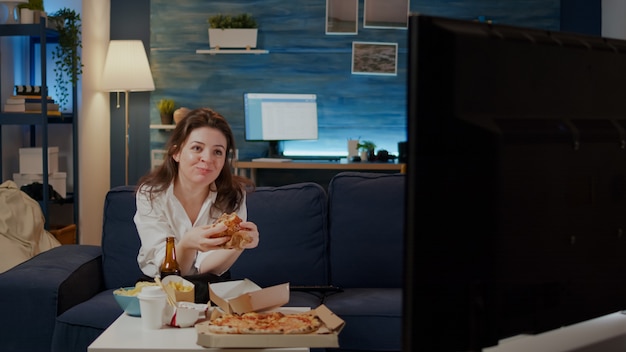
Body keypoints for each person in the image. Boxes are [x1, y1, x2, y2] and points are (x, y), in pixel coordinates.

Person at [134, 107, 259, 302]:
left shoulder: (235, 196)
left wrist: (240, 243)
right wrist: (187, 244)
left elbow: (210, 267)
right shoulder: (150, 195)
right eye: (197, 148)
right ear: (176, 152)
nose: (207, 159)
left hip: (209, 284)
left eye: (218, 152)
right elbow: (169, 272)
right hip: (160, 287)